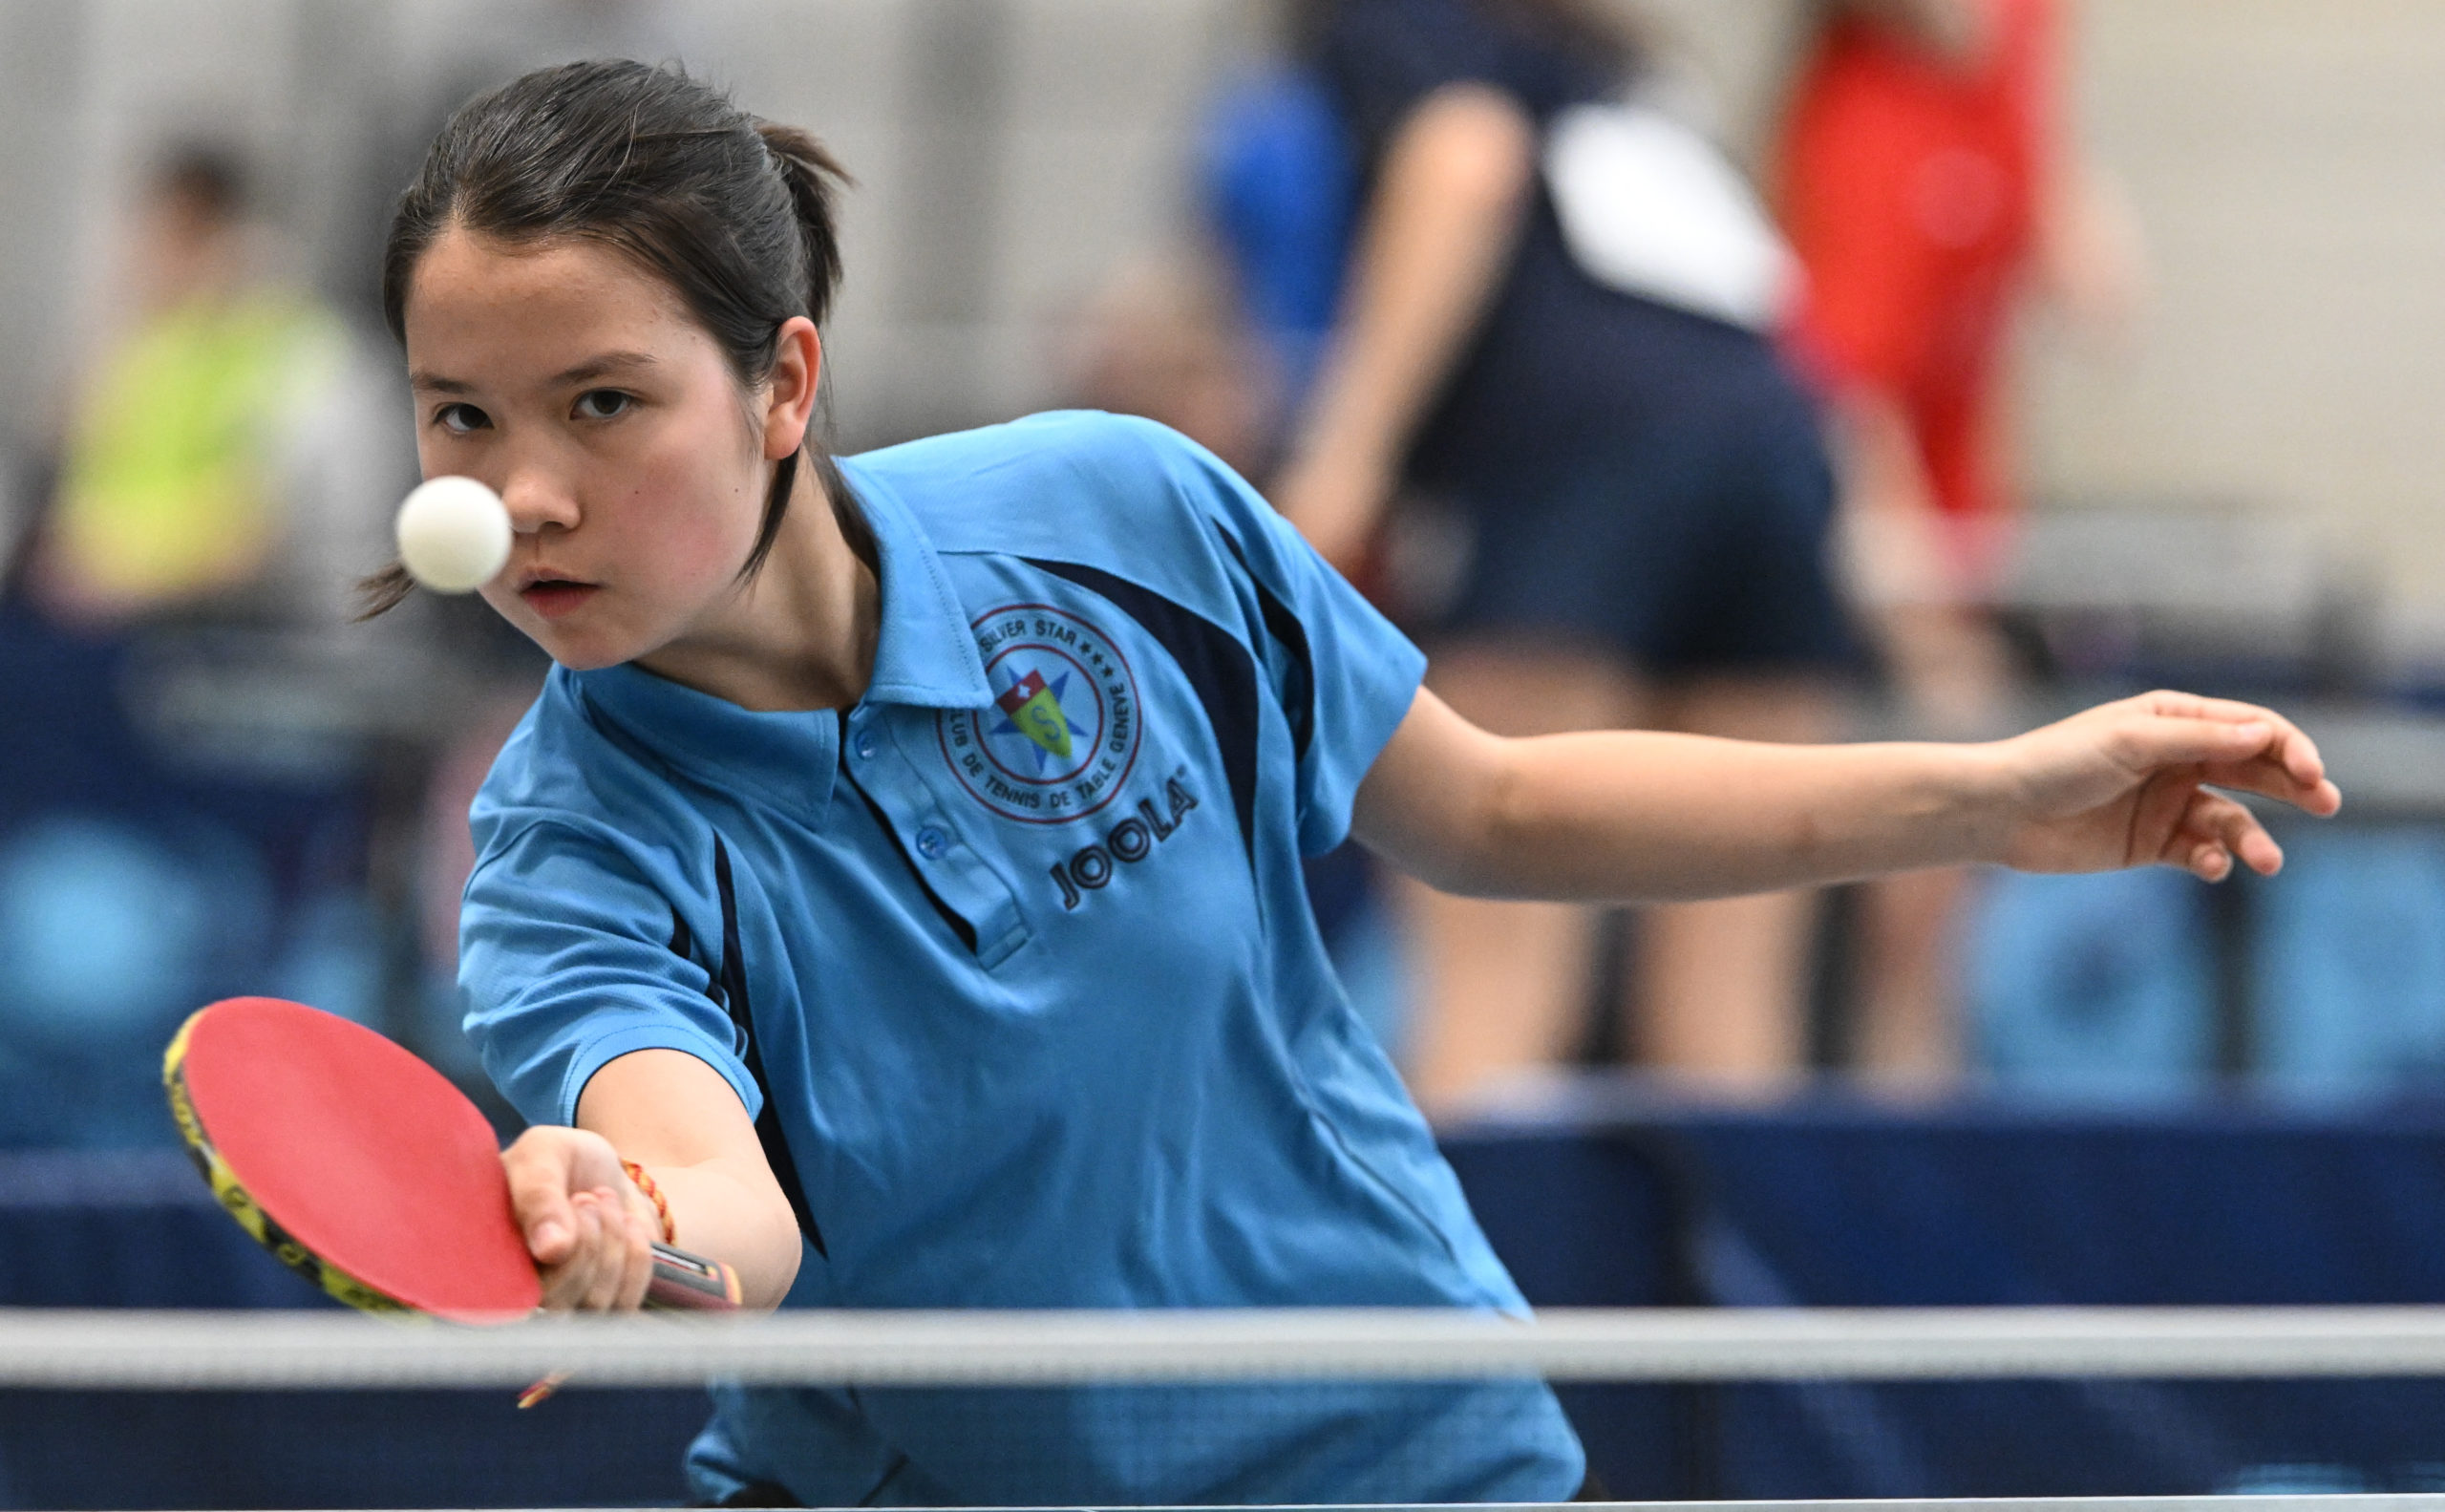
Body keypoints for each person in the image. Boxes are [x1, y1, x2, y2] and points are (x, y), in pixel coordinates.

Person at [370, 59, 2335, 1508]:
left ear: (784, 381)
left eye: (601, 404)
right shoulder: (567, 847)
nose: (517, 494)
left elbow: (1497, 807)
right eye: (462, 415)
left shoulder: (1117, 513)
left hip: (1405, 1439)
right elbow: (729, 1200)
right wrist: (632, 1208)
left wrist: (1987, 796)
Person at [1268, 0, 1857, 1106]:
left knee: (1497, 964)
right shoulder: (1631, 79)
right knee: (1729, 991)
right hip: (1776, 451)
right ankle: (1740, 1221)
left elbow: (1462, 159)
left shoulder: (1407, 26)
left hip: (1575, 458)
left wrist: (1344, 462)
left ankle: (1468, 1224)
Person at [1773, 0, 2144, 1085]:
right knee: (1905, 896)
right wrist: (1930, 640)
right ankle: (1888, 1139)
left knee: (1944, 909)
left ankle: (1925, 1104)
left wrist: (2058, 194)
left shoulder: (2021, 33)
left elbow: (2089, 273)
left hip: (1969, 531)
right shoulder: (1863, 129)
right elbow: (1844, 408)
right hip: (1863, 552)